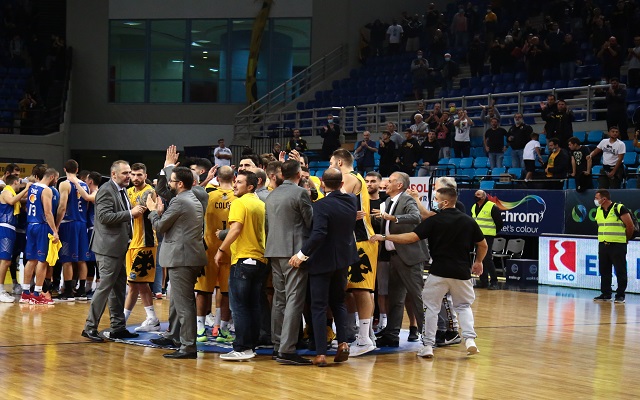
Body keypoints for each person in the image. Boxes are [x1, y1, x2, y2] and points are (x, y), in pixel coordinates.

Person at [370, 187, 487, 358]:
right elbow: (483, 244)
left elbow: (411, 237)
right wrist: (478, 262)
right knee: (463, 306)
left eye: (437, 199)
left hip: (439, 272)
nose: (435, 202)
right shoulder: (468, 221)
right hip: (462, 273)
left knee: (431, 308)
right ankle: (470, 340)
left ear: (445, 202)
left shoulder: (435, 221)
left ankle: (428, 346)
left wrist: (386, 237)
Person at [289, 168, 358, 367]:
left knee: (318, 306)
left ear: (322, 183)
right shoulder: (351, 201)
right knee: (338, 302)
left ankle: (320, 353)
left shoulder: (321, 206)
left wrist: (301, 255)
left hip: (322, 260)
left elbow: (319, 233)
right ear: (342, 183)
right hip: (343, 259)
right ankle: (343, 343)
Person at [146, 166, 207, 359]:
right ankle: (178, 338)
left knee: (184, 305)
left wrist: (153, 211)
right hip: (190, 255)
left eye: (171, 181)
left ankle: (188, 347)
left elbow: (160, 226)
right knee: (180, 301)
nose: (169, 184)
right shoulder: (193, 198)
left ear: (180, 184)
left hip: (182, 258)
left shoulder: (180, 201)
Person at [82, 161, 145, 342]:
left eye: (129, 173)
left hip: (118, 246)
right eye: (125, 173)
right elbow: (104, 217)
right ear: (113, 174)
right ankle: (90, 327)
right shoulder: (106, 191)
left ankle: (118, 327)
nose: (129, 176)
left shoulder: (121, 190)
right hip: (107, 248)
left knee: (118, 289)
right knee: (104, 288)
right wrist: (130, 213)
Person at [330, 149, 378, 357]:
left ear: (340, 162)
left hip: (362, 240)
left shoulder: (349, 177)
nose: (330, 167)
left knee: (361, 289)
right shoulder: (356, 177)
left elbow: (334, 201)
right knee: (351, 290)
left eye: (331, 163)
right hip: (353, 239)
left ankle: (365, 338)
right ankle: (357, 334)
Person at [215, 170, 268, 360]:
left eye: (239, 182)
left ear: (250, 186)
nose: (235, 185)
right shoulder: (260, 204)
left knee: (239, 307)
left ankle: (242, 347)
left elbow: (236, 229)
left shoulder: (239, 203)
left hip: (243, 259)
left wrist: (221, 249)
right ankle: (251, 346)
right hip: (260, 260)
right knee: (253, 305)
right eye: (235, 181)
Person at [265, 159, 314, 365]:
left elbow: (268, 225)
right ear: (299, 174)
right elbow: (310, 222)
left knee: (280, 299)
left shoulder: (271, 194)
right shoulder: (300, 193)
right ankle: (287, 349)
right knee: (294, 299)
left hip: (274, 250)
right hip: (293, 252)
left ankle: (278, 345)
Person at [371, 172, 427, 348]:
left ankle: (428, 334)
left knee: (417, 297)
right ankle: (392, 334)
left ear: (400, 185)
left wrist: (393, 217)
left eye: (390, 181)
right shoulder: (388, 201)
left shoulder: (407, 200)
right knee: (395, 298)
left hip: (410, 256)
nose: (386, 183)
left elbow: (416, 217)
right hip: (393, 256)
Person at [199, 165, 236, 343]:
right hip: (230, 249)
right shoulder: (239, 196)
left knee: (203, 290)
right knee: (226, 291)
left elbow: (193, 191)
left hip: (209, 248)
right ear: (234, 178)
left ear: (217, 179)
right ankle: (222, 329)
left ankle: (200, 329)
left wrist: (206, 179)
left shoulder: (207, 195)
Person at [122, 163, 159, 332]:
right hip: (132, 243)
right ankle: (151, 318)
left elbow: (140, 210)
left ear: (145, 176)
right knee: (137, 284)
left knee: (136, 283)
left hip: (145, 243)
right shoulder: (129, 191)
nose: (135, 178)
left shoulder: (149, 192)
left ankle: (122, 320)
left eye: (139, 175)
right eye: (133, 175)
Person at [20, 167, 59, 306]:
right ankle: (37, 294)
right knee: (42, 260)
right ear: (52, 177)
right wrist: (55, 231)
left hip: (30, 225)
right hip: (42, 226)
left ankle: (25, 293)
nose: (56, 181)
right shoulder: (47, 190)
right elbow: (48, 213)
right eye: (56, 178)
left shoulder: (32, 187)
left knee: (31, 259)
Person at [56, 159, 91, 302]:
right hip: (82, 224)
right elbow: (86, 206)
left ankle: (69, 291)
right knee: (82, 259)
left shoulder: (64, 184)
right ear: (77, 170)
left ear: (64, 169)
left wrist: (56, 224)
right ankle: (82, 291)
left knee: (67, 259)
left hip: (68, 223)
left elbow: (62, 206)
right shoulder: (84, 185)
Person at [592, 190, 634, 304]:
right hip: (603, 244)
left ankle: (620, 295)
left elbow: (630, 226)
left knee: (620, 270)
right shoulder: (599, 210)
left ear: (604, 199)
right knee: (604, 270)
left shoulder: (619, 208)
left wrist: (625, 239)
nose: (595, 200)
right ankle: (606, 293)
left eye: (596, 198)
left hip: (617, 245)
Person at [365, 172, 388, 332]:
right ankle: (364, 320)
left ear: (380, 184)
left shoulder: (385, 203)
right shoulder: (360, 201)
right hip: (364, 249)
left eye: (373, 181)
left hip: (382, 250)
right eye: (367, 181)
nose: (369, 184)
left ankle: (381, 318)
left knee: (381, 287)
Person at [0, 175, 30, 303]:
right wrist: (26, 189)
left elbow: (19, 200)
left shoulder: (11, 193)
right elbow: (12, 201)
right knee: (5, 261)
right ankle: (0, 290)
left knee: (6, 260)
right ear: (16, 182)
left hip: (11, 228)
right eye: (19, 183)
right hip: (5, 227)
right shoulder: (6, 191)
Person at [471, 190, 503, 290]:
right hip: (477, 236)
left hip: (488, 235)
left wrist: (492, 232)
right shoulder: (474, 206)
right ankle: (483, 281)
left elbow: (499, 223)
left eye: (478, 195)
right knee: (480, 258)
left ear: (484, 196)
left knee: (487, 258)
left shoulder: (492, 206)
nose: (476, 196)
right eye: (475, 194)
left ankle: (494, 281)